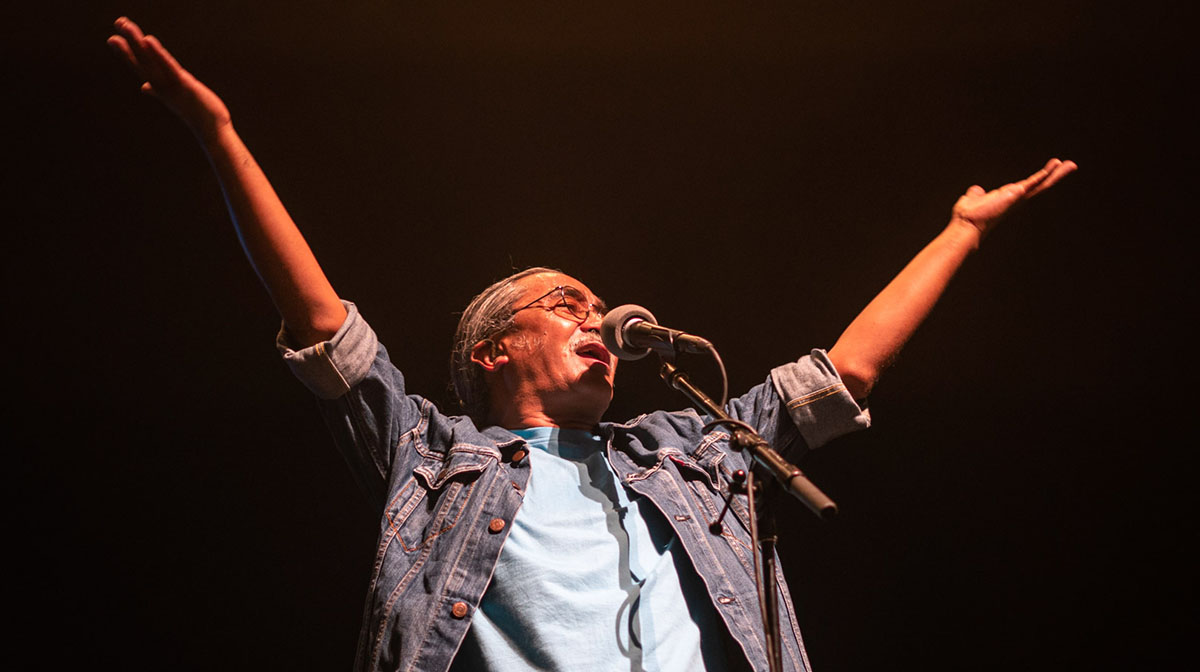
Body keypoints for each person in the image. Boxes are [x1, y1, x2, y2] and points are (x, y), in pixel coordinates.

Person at [108, 16, 1076, 672]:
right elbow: (323, 324)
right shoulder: (429, 454)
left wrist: (965, 230)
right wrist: (220, 135)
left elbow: (844, 373)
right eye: (566, 304)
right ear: (491, 351)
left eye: (602, 309)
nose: (599, 321)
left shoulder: (689, 451)